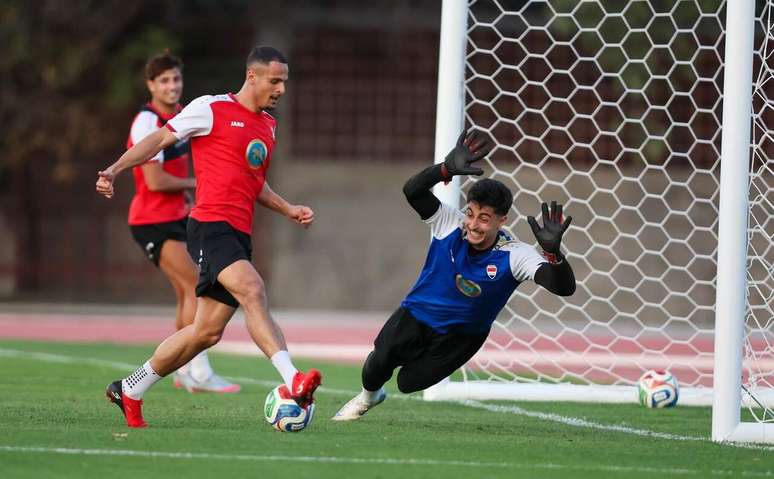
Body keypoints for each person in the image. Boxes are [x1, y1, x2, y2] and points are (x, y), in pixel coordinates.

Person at [96, 46, 321, 428]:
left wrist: (288, 209)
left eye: (284, 81)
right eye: (275, 80)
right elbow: (157, 140)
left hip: (237, 232)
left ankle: (130, 389)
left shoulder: (268, 126)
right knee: (253, 289)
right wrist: (115, 169)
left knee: (205, 333)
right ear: (252, 76)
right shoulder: (211, 108)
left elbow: (255, 184)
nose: (281, 88)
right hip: (208, 226)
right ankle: (292, 379)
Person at [332, 130, 576, 421]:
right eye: (471, 213)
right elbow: (413, 191)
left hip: (461, 337)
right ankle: (367, 398)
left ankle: (393, 381)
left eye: (484, 219)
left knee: (408, 383)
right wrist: (443, 170)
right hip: (416, 313)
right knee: (376, 367)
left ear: (502, 220)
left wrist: (554, 254)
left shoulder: (515, 255)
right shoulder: (449, 222)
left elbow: (563, 288)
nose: (473, 224)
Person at [126, 50, 238, 394]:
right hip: (151, 221)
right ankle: (199, 372)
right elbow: (156, 181)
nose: (172, 86)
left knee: (185, 293)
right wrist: (198, 183)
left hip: (176, 217)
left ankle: (185, 370)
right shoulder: (147, 122)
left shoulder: (182, 114)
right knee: (194, 286)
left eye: (176, 79)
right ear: (151, 85)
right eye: (164, 81)